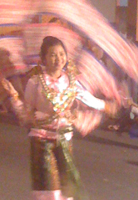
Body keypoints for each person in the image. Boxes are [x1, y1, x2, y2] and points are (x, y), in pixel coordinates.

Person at [21, 36, 118, 200]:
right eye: (52, 55)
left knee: (69, 185)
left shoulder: (71, 81)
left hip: (64, 138)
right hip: (41, 139)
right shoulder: (35, 81)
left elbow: (86, 98)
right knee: (48, 187)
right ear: (44, 59)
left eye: (61, 54)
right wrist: (30, 118)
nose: (58, 59)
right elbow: (28, 108)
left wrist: (105, 106)